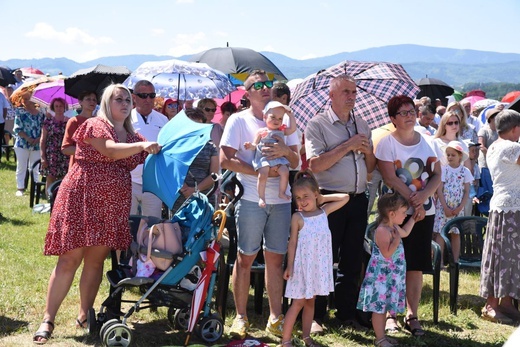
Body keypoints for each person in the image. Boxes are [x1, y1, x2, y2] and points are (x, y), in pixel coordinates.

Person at [32, 84, 161, 345]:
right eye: (118, 99)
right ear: (106, 103)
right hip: (82, 197)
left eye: (128, 99)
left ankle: (84, 315)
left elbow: (139, 154)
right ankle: (48, 318)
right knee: (69, 260)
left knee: (95, 261)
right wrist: (144, 146)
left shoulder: (133, 137)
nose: (125, 103)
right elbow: (110, 150)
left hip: (112, 203)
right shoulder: (96, 124)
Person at [220, 69, 299, 339]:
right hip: (253, 198)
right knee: (245, 259)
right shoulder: (239, 121)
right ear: (247, 92)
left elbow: (298, 162)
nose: (266, 88)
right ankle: (241, 318)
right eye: (259, 85)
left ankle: (275, 318)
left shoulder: (284, 121)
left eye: (270, 84)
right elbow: (225, 159)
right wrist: (263, 171)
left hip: (282, 201)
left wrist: (286, 153)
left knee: (276, 260)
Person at [304, 74, 376, 331]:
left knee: (352, 259)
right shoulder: (318, 124)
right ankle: (316, 316)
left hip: (357, 199)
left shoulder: (362, 124)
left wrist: (368, 152)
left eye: (354, 92)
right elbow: (314, 165)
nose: (351, 96)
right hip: (330, 199)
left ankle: (346, 314)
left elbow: (370, 167)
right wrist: (349, 145)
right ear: (331, 95)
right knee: (324, 257)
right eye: (346, 91)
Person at [376, 95, 441, 336]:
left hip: (425, 212)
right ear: (392, 118)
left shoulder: (429, 142)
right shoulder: (386, 143)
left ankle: (412, 315)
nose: (409, 115)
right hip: (395, 213)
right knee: (393, 262)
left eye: (411, 111)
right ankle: (392, 314)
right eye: (402, 113)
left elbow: (436, 175)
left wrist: (423, 197)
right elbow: (390, 177)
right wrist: (415, 199)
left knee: (415, 265)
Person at [281, 170, 350, 347]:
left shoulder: (323, 213)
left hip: (317, 268)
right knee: (297, 304)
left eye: (306, 196)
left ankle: (307, 337)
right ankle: (286, 340)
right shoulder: (298, 217)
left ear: (316, 195)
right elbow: (292, 243)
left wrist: (322, 199)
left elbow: (345, 198)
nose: (302, 201)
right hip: (302, 268)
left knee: (311, 302)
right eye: (298, 197)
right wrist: (289, 266)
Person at [357, 192, 416, 347]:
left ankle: (382, 335)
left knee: (384, 307)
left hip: (390, 276)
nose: (405, 216)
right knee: (379, 309)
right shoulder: (383, 230)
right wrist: (396, 241)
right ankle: (379, 339)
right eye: (403, 213)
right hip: (380, 277)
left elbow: (406, 232)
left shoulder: (394, 227)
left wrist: (414, 218)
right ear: (391, 213)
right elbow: (386, 253)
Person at [480, 109, 520, 325]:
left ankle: (505, 303)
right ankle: (492, 305)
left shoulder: (495, 145)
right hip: (510, 210)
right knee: (504, 257)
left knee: (505, 257)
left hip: (504, 208)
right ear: (515, 128)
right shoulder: (511, 147)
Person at [244, 101, 297, 207]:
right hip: (265, 158)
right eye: (273, 117)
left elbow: (293, 129)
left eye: (280, 118)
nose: (276, 121)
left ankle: (281, 192)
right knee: (263, 174)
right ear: (265, 117)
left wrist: (290, 115)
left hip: (278, 159)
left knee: (285, 171)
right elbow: (255, 145)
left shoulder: (282, 131)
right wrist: (250, 146)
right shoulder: (262, 131)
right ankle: (261, 197)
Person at [130, 80, 168, 219]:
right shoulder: (125, 119)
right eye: (143, 95)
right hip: (129, 180)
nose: (148, 99)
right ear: (134, 97)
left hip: (153, 182)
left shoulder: (163, 120)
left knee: (153, 226)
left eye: (151, 95)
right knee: (128, 225)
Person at [433, 141, 473, 263]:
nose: (450, 157)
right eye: (448, 155)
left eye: (453, 155)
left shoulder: (465, 171)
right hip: (443, 207)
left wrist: (459, 208)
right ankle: (439, 262)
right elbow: (440, 189)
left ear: (460, 156)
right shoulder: (444, 170)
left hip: (457, 208)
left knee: (456, 234)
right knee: (440, 233)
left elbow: (466, 191)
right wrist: (445, 207)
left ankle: (455, 261)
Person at [172, 108, 219, 212]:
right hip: (179, 198)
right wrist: (184, 189)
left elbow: (214, 175)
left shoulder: (210, 146)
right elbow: (171, 170)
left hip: (205, 197)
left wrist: (194, 191)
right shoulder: (175, 145)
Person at [12, 87, 45, 196]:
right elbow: (17, 128)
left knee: (35, 168)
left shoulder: (40, 114)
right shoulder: (20, 111)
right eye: (23, 99)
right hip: (22, 144)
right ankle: (20, 188)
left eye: (27, 99)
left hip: (36, 145)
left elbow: (44, 128)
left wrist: (39, 138)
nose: (25, 101)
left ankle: (35, 188)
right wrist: (28, 138)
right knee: (22, 166)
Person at [40, 98, 70, 192]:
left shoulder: (69, 122)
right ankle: (49, 201)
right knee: (50, 178)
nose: (58, 108)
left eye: (61, 106)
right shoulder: (48, 122)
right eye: (56, 106)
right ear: (53, 107)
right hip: (51, 155)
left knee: (64, 180)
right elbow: (43, 140)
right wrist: (43, 157)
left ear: (64, 107)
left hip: (65, 154)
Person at [61, 91, 98, 171]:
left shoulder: (99, 121)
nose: (92, 102)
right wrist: (88, 152)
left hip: (96, 168)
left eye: (94, 100)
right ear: (80, 102)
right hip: (78, 168)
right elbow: (66, 148)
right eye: (88, 99)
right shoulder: (74, 121)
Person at [464, 140, 481, 216]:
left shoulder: (476, 165)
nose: (475, 153)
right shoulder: (461, 165)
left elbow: (477, 178)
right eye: (472, 151)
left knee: (468, 214)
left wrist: (475, 182)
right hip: (463, 193)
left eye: (476, 150)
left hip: (471, 194)